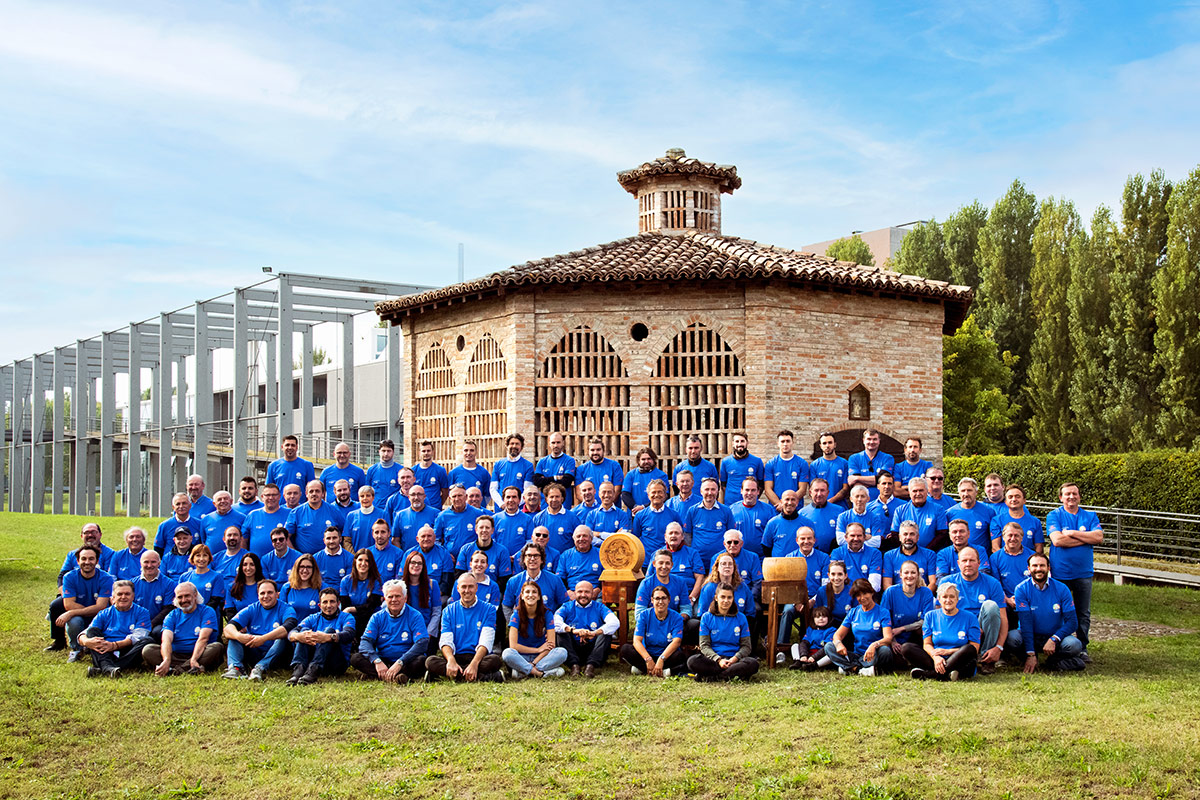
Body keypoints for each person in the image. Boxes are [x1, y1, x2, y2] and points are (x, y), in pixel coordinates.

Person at [1047, 482, 1102, 660]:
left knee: (1083, 612)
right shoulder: (1054, 515)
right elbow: (1057, 541)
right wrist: (1086, 539)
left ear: (1079, 496)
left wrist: (1071, 532)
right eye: (1067, 494)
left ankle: (1083, 647)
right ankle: (1059, 643)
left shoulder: (1090, 516)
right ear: (1061, 497)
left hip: (1083, 573)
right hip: (1060, 573)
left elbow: (1099, 537)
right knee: (1059, 610)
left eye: (1074, 494)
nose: (1071, 497)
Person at [1011, 553, 1086, 672]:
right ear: (1029, 569)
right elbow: (1026, 623)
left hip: (1054, 636)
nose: (1038, 569)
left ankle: (1053, 661)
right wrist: (1031, 654)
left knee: (1074, 645)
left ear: (1048, 568)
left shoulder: (1062, 588)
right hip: (1031, 635)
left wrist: (1054, 639)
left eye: (1042, 565)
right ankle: (1028, 657)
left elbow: (1072, 622)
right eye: (1034, 566)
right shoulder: (1021, 589)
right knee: (1012, 638)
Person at [425, 573, 504, 682]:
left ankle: (452, 675)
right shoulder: (448, 611)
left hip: (478, 657)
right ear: (458, 588)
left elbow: (486, 641)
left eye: (471, 586)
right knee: (430, 661)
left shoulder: (489, 609)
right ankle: (487, 677)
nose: (467, 590)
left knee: (495, 660)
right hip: (456, 656)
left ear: (476, 588)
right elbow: (445, 641)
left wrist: (474, 664)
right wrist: (451, 660)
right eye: (464, 587)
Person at [941, 547, 1007, 674]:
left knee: (991, 606)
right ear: (958, 563)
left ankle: (987, 659)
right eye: (964, 560)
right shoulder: (947, 582)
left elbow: (1003, 618)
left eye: (972, 560)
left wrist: (999, 647)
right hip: (958, 627)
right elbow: (941, 615)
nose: (968, 564)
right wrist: (972, 628)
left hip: (983, 627)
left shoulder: (992, 583)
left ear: (979, 563)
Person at [351, 580, 428, 684]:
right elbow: (365, 642)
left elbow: (422, 643)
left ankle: (379, 675)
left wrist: (401, 662)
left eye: (397, 596)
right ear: (384, 599)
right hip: (383, 660)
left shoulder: (415, 616)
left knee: (422, 660)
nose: (394, 600)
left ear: (405, 598)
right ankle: (396, 677)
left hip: (406, 661)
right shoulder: (377, 617)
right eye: (390, 597)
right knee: (356, 658)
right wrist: (376, 661)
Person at [222, 579, 297, 680]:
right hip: (254, 650)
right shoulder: (252, 608)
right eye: (262, 593)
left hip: (277, 655)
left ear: (277, 594)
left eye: (270, 592)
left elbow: (289, 626)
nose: (266, 596)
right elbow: (228, 628)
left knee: (282, 638)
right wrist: (239, 636)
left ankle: (260, 668)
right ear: (258, 595)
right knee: (234, 636)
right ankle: (236, 669)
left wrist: (263, 639)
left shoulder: (286, 609)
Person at [904, 581, 981, 681]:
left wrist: (948, 651)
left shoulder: (970, 617)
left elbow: (975, 648)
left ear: (957, 599)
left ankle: (930, 674)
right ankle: (948, 674)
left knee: (969, 649)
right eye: (944, 597)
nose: (948, 600)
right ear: (939, 599)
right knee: (906, 648)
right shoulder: (930, 616)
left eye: (952, 597)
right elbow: (927, 644)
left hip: (960, 660)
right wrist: (935, 657)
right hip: (936, 658)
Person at [143, 582, 223, 676]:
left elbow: (203, 639)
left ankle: (174, 670)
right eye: (180, 597)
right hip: (175, 655)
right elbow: (166, 640)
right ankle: (190, 669)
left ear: (195, 595)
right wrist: (166, 660)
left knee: (216, 647)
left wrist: (194, 659)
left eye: (187, 596)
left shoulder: (207, 611)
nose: (184, 600)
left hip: (200, 654)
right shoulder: (172, 615)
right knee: (148, 650)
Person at [78, 579, 151, 678]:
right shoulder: (104, 613)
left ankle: (104, 668)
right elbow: (85, 633)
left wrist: (114, 645)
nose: (123, 597)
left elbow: (138, 636)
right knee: (92, 631)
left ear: (133, 596)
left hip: (127, 651)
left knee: (147, 641)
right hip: (105, 650)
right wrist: (86, 642)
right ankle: (110, 668)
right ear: (113, 597)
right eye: (120, 594)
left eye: (127, 594)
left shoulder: (142, 612)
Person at [776, 526, 833, 653]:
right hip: (794, 599)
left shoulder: (823, 558)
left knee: (821, 611)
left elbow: (825, 585)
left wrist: (811, 601)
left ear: (815, 540)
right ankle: (781, 648)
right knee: (788, 611)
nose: (806, 541)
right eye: (803, 538)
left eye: (809, 538)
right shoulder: (789, 558)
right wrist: (796, 602)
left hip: (816, 598)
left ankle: (815, 647)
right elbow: (786, 586)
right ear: (797, 540)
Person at [53, 544, 113, 662]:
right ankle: (76, 649)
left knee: (73, 616)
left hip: (99, 616)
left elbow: (101, 607)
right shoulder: (69, 577)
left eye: (91, 559)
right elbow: (68, 605)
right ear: (77, 561)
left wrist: (70, 613)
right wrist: (91, 609)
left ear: (97, 561)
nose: (87, 562)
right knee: (74, 621)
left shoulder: (106, 578)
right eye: (83, 559)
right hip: (82, 616)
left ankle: (92, 646)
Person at [687, 583, 759, 681]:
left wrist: (734, 659)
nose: (726, 601)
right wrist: (719, 660)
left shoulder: (741, 617)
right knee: (692, 661)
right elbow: (704, 645)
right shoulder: (706, 617)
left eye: (729, 597)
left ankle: (714, 676)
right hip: (714, 660)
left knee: (753, 664)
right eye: (723, 597)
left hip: (734, 659)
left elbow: (746, 646)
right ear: (716, 598)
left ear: (733, 598)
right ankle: (730, 675)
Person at [825, 578, 894, 676]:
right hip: (857, 655)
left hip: (873, 655)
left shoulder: (883, 612)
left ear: (871, 593)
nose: (862, 598)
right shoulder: (853, 612)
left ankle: (848, 668)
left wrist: (874, 645)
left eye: (865, 593)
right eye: (858, 595)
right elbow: (837, 635)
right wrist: (838, 644)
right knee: (829, 646)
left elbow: (888, 638)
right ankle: (858, 669)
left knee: (885, 651)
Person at [292, 587, 358, 685]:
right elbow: (292, 633)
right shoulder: (313, 618)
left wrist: (328, 637)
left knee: (329, 631)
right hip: (313, 659)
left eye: (332, 602)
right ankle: (298, 671)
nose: (329, 605)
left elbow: (349, 634)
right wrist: (298, 636)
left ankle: (314, 670)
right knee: (304, 632)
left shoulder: (347, 617)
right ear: (319, 605)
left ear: (338, 604)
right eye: (325, 602)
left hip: (336, 663)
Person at [502, 581, 568, 679]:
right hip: (521, 657)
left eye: (534, 592)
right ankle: (540, 674)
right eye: (527, 592)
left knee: (562, 652)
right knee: (507, 653)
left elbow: (551, 644)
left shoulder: (547, 614)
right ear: (522, 596)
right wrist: (537, 649)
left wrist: (534, 662)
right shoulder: (516, 614)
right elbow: (513, 646)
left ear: (539, 596)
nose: (530, 595)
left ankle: (524, 671)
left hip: (542, 657)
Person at [554, 580, 618, 677]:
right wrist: (573, 630)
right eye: (580, 591)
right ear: (575, 593)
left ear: (592, 593)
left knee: (606, 633)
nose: (583, 595)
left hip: (593, 649)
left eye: (587, 592)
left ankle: (590, 667)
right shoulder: (566, 607)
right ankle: (574, 666)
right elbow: (555, 621)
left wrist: (594, 633)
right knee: (560, 632)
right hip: (573, 648)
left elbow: (614, 622)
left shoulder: (600, 607)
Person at [621, 585, 686, 677]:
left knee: (680, 656)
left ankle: (643, 670)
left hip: (666, 656)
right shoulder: (644, 615)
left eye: (664, 598)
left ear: (669, 600)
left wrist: (661, 659)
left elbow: (677, 642)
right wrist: (648, 659)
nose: (660, 602)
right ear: (652, 600)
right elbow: (636, 641)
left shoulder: (677, 617)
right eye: (657, 598)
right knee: (625, 649)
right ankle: (663, 672)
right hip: (648, 654)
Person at [880, 560, 937, 653]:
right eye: (906, 572)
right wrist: (892, 641)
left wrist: (902, 629)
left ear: (918, 574)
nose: (909, 576)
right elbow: (884, 619)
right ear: (901, 574)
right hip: (894, 636)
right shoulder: (891, 592)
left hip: (917, 636)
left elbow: (926, 620)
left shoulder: (926, 592)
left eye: (913, 572)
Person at [503, 542, 568, 620]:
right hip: (522, 628)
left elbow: (564, 605)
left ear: (542, 560)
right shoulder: (513, 581)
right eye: (529, 555)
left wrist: (553, 624)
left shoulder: (555, 580)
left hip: (548, 628)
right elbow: (506, 606)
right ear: (523, 559)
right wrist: (514, 625)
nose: (532, 559)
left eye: (536, 555)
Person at [684, 477, 736, 564]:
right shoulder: (692, 511)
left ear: (717, 491)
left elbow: (731, 534)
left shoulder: (726, 511)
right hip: (698, 560)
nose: (709, 493)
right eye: (706, 489)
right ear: (701, 491)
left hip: (720, 561)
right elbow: (687, 536)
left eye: (713, 489)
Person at [990, 522, 1036, 620]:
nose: (1013, 538)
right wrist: (1007, 600)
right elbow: (996, 584)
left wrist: (1024, 599)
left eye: (1016, 535)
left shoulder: (1032, 556)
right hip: (1006, 603)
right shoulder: (995, 558)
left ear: (1022, 538)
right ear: (1003, 537)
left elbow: (1036, 582)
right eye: (1010, 535)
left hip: (1030, 601)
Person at [633, 479, 682, 569]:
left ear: (665, 495)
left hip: (667, 564)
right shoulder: (640, 516)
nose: (656, 495)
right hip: (646, 563)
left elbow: (680, 539)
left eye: (660, 492)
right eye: (653, 492)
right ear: (648, 495)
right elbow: (636, 540)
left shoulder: (674, 515)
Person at [455, 515, 513, 589]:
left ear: (492, 530)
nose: (484, 530)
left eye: (487, 527)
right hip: (468, 590)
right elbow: (459, 575)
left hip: (492, 590)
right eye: (481, 527)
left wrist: (485, 590)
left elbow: (504, 579)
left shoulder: (502, 551)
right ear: (476, 530)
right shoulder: (465, 549)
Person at [890, 477, 949, 551]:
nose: (918, 494)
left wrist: (925, 552)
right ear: (909, 492)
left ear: (927, 491)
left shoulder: (938, 509)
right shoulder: (900, 510)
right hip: (906, 555)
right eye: (914, 491)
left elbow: (942, 535)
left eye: (921, 490)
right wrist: (907, 551)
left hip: (930, 555)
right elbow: (895, 535)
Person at [286, 481, 342, 556]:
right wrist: (296, 555)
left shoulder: (334, 511)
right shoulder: (296, 512)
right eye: (311, 491)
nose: (314, 494)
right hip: (304, 561)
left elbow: (344, 534)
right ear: (306, 494)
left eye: (317, 491)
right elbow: (286, 537)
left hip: (328, 558)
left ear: (323, 494)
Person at [635, 549, 694, 619]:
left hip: (675, 622)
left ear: (672, 565)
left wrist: (678, 619)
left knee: (694, 624)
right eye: (661, 563)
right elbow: (639, 613)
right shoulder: (646, 584)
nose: (664, 566)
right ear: (654, 564)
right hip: (652, 624)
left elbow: (686, 608)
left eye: (667, 563)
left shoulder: (680, 582)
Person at [697, 553, 755, 622]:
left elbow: (750, 613)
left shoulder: (743, 587)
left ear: (734, 568)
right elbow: (703, 615)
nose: (727, 566)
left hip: (738, 626)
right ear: (717, 567)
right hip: (715, 626)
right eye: (723, 564)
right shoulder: (709, 588)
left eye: (730, 564)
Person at [402, 549, 443, 646]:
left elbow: (436, 612)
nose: (416, 565)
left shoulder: (433, 584)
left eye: (419, 563)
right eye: (413, 562)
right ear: (407, 564)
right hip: (404, 631)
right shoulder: (400, 585)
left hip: (426, 630)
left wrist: (428, 633)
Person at [989, 483, 1044, 554]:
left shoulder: (1035, 522)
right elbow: (995, 548)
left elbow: (1039, 548)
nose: (1014, 499)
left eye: (1017, 496)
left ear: (1024, 500)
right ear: (1005, 501)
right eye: (1010, 497)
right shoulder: (997, 521)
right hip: (1006, 562)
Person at [946, 477, 995, 554]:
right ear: (959, 493)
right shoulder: (949, 513)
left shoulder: (989, 511)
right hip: (958, 559)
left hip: (980, 559)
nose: (966, 494)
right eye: (963, 491)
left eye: (969, 490)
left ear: (976, 492)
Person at [764, 429, 810, 511]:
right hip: (776, 509)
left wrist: (789, 504)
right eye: (782, 441)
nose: (785, 444)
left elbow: (802, 490)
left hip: (796, 509)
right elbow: (768, 490)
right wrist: (781, 505)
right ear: (778, 444)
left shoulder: (802, 463)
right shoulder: (770, 464)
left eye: (788, 441)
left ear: (793, 443)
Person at [340, 548, 384, 635]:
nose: (363, 563)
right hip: (352, 618)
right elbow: (345, 606)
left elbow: (371, 607)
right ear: (355, 561)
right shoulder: (346, 581)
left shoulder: (377, 581)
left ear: (371, 563)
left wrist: (351, 609)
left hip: (371, 618)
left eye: (367, 561)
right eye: (360, 560)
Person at [882, 520, 937, 589]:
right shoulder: (889, 556)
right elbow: (887, 584)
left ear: (917, 537)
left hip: (922, 596)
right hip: (898, 597)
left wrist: (923, 597)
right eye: (905, 534)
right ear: (899, 537)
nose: (908, 537)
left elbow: (933, 583)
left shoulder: (930, 555)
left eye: (912, 534)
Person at [830, 523, 883, 592]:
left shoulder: (875, 553)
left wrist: (859, 595)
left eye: (859, 536)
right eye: (852, 535)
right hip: (843, 594)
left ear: (864, 537)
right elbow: (835, 581)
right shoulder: (837, 553)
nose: (856, 539)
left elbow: (874, 585)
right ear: (846, 537)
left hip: (866, 595)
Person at [132, 550, 177, 632]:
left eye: (153, 562)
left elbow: (167, 609)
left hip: (158, 623)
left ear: (159, 563)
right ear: (141, 563)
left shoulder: (170, 584)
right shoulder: (132, 584)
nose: (149, 565)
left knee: (158, 632)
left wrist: (151, 624)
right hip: (136, 622)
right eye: (146, 562)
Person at [710, 530, 763, 600]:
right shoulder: (716, 558)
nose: (732, 545)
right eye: (729, 542)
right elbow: (714, 580)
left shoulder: (753, 557)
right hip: (722, 598)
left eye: (736, 542)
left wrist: (749, 599)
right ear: (724, 544)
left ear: (741, 543)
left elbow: (757, 583)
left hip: (746, 596)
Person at [663, 522, 706, 608]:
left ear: (682, 536)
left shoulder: (692, 553)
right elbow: (650, 579)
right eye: (670, 533)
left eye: (677, 533)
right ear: (665, 537)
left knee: (694, 619)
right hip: (664, 597)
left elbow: (700, 578)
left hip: (688, 595)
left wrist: (692, 598)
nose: (673, 536)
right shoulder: (658, 555)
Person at [404, 525, 455, 598]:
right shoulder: (408, 554)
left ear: (434, 538)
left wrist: (433, 596)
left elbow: (446, 581)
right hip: (412, 593)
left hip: (436, 594)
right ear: (417, 539)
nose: (426, 539)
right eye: (423, 536)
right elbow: (402, 577)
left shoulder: (444, 553)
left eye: (429, 536)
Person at [241, 483, 290, 558]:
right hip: (257, 564)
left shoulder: (289, 513)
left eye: (274, 495)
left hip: (283, 561)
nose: (271, 498)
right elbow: (244, 540)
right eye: (267, 495)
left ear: (279, 496)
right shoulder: (253, 515)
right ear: (262, 497)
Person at [846, 428, 895, 502]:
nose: (871, 442)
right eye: (869, 439)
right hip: (861, 503)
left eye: (875, 439)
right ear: (863, 440)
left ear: (879, 441)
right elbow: (855, 485)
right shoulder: (854, 458)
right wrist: (876, 481)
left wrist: (857, 478)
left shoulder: (888, 458)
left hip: (882, 503)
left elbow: (884, 480)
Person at [575, 437, 623, 509]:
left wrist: (603, 508)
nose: (595, 452)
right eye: (592, 450)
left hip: (610, 511)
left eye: (598, 450)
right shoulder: (581, 469)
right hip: (589, 511)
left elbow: (617, 491)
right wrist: (593, 507)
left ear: (603, 450)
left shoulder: (614, 466)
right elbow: (579, 494)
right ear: (588, 451)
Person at [555, 525, 602, 599]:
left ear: (591, 538)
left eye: (585, 536)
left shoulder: (601, 554)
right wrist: (567, 591)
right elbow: (560, 579)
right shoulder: (565, 556)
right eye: (578, 536)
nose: (581, 539)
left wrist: (599, 589)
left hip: (595, 594)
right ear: (573, 539)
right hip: (572, 594)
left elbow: (607, 577)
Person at [434, 486, 483, 555]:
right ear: (450, 498)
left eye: (460, 495)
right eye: (454, 496)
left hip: (472, 558)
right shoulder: (442, 516)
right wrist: (444, 554)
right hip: (450, 559)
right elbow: (436, 539)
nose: (457, 499)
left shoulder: (478, 514)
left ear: (466, 497)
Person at [532, 484, 581, 552]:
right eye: (551, 497)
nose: (554, 499)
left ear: (562, 499)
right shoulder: (538, 518)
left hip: (565, 560)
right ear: (546, 499)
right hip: (544, 560)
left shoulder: (572, 518)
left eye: (557, 497)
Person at [490, 433, 535, 508]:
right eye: (512, 443)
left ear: (521, 447)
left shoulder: (528, 466)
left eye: (517, 444)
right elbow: (493, 489)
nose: (514, 446)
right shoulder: (498, 464)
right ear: (507, 446)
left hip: (519, 509)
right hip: (500, 509)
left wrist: (515, 505)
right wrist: (502, 504)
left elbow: (527, 490)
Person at [729, 477, 774, 552]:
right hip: (738, 557)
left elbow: (772, 535)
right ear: (741, 491)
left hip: (761, 557)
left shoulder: (768, 510)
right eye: (747, 490)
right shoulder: (732, 510)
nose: (749, 493)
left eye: (753, 490)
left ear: (758, 492)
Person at [534, 432, 577, 508]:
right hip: (545, 506)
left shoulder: (569, 460)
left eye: (558, 442)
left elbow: (566, 482)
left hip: (564, 506)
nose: (556, 445)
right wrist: (556, 478)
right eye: (553, 443)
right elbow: (537, 482)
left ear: (563, 443)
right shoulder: (542, 462)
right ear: (549, 444)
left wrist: (545, 481)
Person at [719, 433, 764, 504]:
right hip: (731, 503)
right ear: (733, 443)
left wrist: (753, 498)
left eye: (742, 441)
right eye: (737, 441)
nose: (740, 444)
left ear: (747, 443)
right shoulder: (725, 462)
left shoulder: (757, 461)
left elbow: (761, 484)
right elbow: (723, 485)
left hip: (750, 504)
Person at [178, 544, 224, 614]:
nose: (201, 559)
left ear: (209, 558)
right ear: (193, 558)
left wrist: (200, 614)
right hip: (189, 616)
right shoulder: (184, 577)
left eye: (205, 555)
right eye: (198, 555)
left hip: (209, 616)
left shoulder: (217, 577)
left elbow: (215, 601)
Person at [798, 478, 841, 552]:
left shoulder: (839, 511)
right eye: (816, 490)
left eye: (822, 490)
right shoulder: (802, 513)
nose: (819, 494)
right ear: (810, 492)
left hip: (834, 556)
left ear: (828, 492)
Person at [788, 606, 837, 670]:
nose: (821, 619)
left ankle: (814, 666)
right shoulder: (810, 629)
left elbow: (826, 647)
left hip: (821, 655)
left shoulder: (832, 630)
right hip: (809, 653)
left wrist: (814, 657)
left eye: (824, 616)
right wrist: (803, 655)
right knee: (795, 645)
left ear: (829, 618)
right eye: (817, 617)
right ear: (813, 619)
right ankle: (798, 662)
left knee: (832, 654)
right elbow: (804, 643)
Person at [622, 447, 669, 513]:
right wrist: (635, 508)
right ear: (638, 461)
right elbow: (625, 495)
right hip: (634, 514)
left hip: (656, 512)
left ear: (653, 459)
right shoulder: (631, 475)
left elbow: (665, 496)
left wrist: (644, 507)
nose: (646, 461)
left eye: (649, 459)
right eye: (643, 459)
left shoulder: (661, 475)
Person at [810, 431, 850, 509]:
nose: (827, 446)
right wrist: (824, 503)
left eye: (830, 442)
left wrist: (829, 502)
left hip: (840, 507)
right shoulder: (814, 465)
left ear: (835, 444)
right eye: (824, 443)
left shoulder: (844, 463)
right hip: (820, 507)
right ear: (820, 446)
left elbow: (846, 488)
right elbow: (813, 488)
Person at [394, 484, 438, 550]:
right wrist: (403, 556)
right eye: (413, 495)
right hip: (408, 558)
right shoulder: (400, 516)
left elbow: (440, 538)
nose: (416, 498)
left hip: (430, 557)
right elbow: (395, 540)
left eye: (419, 494)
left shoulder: (436, 514)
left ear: (424, 497)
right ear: (409, 497)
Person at [211, 526, 250, 600]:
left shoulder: (248, 557)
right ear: (224, 539)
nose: (232, 537)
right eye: (229, 535)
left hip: (239, 597)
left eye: (235, 535)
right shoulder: (215, 558)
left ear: (241, 538)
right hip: (218, 599)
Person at [493, 486, 534, 555]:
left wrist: (516, 556)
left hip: (520, 561)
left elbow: (529, 542)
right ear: (503, 499)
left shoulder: (527, 519)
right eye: (508, 497)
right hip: (499, 559)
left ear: (519, 500)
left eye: (514, 497)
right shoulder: (495, 518)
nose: (511, 500)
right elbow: (492, 541)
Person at [762, 490, 805, 557]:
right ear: (781, 502)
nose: (790, 503)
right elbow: (766, 547)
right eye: (787, 499)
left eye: (793, 500)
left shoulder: (807, 523)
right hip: (778, 565)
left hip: (801, 565)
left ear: (797, 502)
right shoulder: (772, 523)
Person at [344, 485, 387, 552]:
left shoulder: (383, 514)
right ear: (358, 498)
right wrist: (355, 557)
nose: (365, 498)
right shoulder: (351, 516)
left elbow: (388, 537)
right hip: (358, 559)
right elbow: (347, 540)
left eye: (368, 495)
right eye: (362, 496)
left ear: (373, 497)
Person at [411, 440, 451, 511]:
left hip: (435, 509)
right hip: (418, 509)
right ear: (419, 453)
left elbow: (445, 491)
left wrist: (438, 504)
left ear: (433, 452)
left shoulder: (440, 470)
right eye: (423, 451)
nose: (426, 453)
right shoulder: (413, 471)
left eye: (428, 451)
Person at [313, 526, 354, 592]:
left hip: (341, 594)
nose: (331, 541)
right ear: (324, 540)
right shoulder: (316, 558)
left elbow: (348, 582)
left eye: (334, 538)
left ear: (340, 539)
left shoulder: (350, 558)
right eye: (328, 538)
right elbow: (314, 581)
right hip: (321, 594)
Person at [225, 552, 265, 616]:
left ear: (257, 566)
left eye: (252, 564)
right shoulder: (232, 587)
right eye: (245, 565)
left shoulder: (264, 586)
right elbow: (229, 610)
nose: (248, 568)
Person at [365, 438, 403, 506]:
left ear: (393, 452)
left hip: (394, 510)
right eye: (383, 451)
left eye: (389, 451)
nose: (386, 454)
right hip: (376, 510)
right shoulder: (371, 470)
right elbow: (367, 491)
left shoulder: (400, 470)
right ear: (379, 452)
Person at [868, 471, 904, 537]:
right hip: (875, 544)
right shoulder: (868, 507)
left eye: (889, 483)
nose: (887, 486)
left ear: (893, 486)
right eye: (884, 483)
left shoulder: (903, 505)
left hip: (896, 543)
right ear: (878, 486)